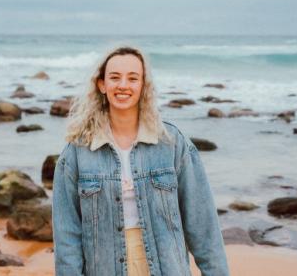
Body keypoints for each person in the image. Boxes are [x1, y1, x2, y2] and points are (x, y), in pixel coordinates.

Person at [52, 46, 229, 276]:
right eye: (114, 78)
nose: (123, 85)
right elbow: (67, 239)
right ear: (102, 85)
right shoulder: (76, 152)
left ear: (143, 85)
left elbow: (203, 227)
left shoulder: (172, 143)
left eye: (133, 78)